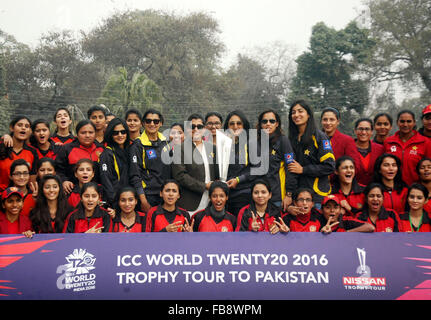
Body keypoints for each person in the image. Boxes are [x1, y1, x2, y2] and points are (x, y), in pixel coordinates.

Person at [287, 100, 335, 208]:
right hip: (298, 197)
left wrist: (303, 170)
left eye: (300, 111)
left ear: (308, 115)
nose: (296, 115)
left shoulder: (320, 137)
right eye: (293, 112)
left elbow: (329, 166)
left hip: (316, 197)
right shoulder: (291, 139)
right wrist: (289, 193)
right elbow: (291, 168)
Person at [171, 113, 218, 214]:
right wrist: (204, 186)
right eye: (192, 126)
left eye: (199, 126)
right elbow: (180, 176)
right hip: (189, 203)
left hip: (211, 202)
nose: (196, 129)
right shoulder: (180, 148)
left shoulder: (212, 148)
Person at [129, 108, 171, 212]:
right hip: (148, 196)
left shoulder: (166, 142)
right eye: (148, 121)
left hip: (165, 195)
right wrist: (143, 200)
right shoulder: (137, 145)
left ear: (161, 123)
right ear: (143, 123)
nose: (152, 124)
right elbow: (135, 175)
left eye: (156, 121)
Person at [256, 109, 298, 211]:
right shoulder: (256, 142)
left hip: (277, 197)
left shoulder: (283, 141)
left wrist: (289, 194)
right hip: (259, 197)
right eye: (264, 121)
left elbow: (291, 169)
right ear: (260, 124)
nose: (268, 124)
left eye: (272, 121)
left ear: (277, 124)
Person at [55, 120, 104, 194]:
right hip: (72, 193)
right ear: (77, 134)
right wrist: (64, 181)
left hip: (97, 195)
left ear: (95, 134)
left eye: (91, 132)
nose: (87, 135)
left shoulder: (102, 149)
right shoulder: (67, 149)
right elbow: (58, 169)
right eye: (83, 133)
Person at [384, 110, 431, 185]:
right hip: (394, 188)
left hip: (416, 189)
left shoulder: (425, 142)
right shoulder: (388, 142)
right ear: (397, 122)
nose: (405, 124)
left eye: (409, 121)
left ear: (414, 122)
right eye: (402, 121)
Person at [223, 110, 255, 216]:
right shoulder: (222, 144)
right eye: (231, 123)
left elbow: (258, 169)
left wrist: (238, 180)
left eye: (239, 123)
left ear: (244, 125)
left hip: (243, 194)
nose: (235, 126)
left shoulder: (252, 143)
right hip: (224, 196)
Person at [0, 116, 38, 192]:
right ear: (12, 128)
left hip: (22, 197)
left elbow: (32, 181)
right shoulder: (1, 147)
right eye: (20, 125)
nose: (23, 128)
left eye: (27, 126)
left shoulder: (32, 152)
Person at [99, 117, 131, 207]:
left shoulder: (129, 151)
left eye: (123, 132)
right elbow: (106, 180)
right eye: (115, 133)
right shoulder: (107, 154)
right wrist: (115, 202)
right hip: (115, 203)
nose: (120, 135)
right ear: (110, 135)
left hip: (128, 201)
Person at [353, 118, 384, 185]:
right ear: (355, 131)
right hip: (352, 190)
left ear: (372, 131)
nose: (364, 132)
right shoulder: (348, 148)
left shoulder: (380, 149)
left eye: (367, 129)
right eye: (360, 129)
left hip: (375, 190)